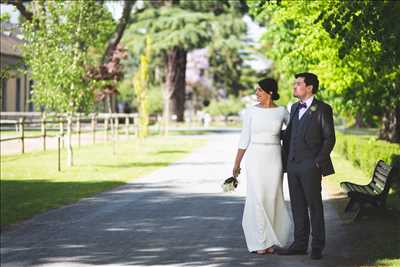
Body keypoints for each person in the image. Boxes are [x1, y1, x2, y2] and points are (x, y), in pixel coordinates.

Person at [277, 72, 335, 260]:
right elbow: (290, 134)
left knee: (315, 207)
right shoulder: (294, 107)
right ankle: (300, 244)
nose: (294, 86)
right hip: (292, 165)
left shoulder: (323, 109)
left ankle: (317, 245)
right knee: (297, 206)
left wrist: (318, 161)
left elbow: (329, 138)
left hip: (311, 165)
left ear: (309, 87)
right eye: (295, 83)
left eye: (298, 84)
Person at [233, 78, 292, 255]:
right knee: (258, 198)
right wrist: (236, 164)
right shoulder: (250, 112)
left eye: (259, 90)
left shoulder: (282, 111)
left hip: (274, 158)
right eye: (256, 90)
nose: (256, 94)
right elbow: (244, 139)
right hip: (255, 157)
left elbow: (293, 133)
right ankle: (261, 241)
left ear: (270, 92)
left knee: (272, 198)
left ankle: (270, 240)